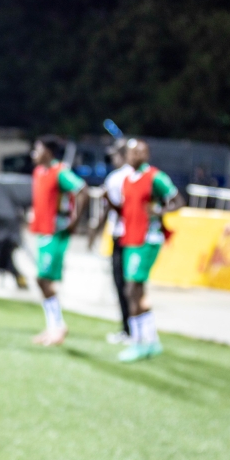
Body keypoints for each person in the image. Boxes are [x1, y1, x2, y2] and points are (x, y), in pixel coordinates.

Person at [117, 138, 184, 363]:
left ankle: (138, 342)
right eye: (132, 152)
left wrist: (159, 211)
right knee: (138, 291)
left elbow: (178, 201)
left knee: (132, 289)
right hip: (131, 238)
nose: (135, 156)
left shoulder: (155, 177)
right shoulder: (126, 179)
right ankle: (151, 340)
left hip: (148, 238)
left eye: (140, 152)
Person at [30, 135, 89, 346]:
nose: (33, 153)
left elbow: (83, 190)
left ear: (48, 152)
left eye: (37, 149)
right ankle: (53, 327)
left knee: (43, 279)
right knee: (44, 280)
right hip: (43, 230)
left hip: (55, 232)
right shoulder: (39, 172)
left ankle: (58, 326)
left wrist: (74, 221)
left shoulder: (60, 172)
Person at [101, 140, 134, 344]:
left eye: (115, 155)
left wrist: (96, 230)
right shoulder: (135, 175)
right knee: (132, 286)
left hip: (121, 235)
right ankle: (133, 330)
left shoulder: (117, 177)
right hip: (135, 236)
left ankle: (129, 330)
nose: (113, 159)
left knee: (123, 284)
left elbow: (113, 207)